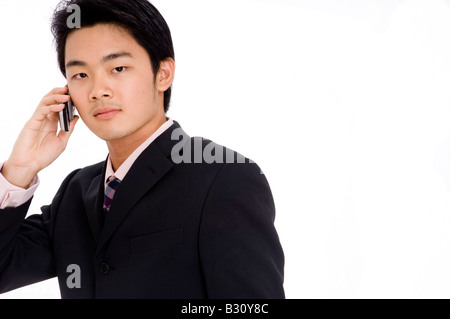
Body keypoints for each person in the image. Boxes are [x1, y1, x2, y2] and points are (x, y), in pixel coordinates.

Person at [0, 0, 284, 299]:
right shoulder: (76, 192)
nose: (99, 90)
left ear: (163, 73)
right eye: (81, 75)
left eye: (118, 68)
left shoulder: (224, 179)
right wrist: (20, 169)